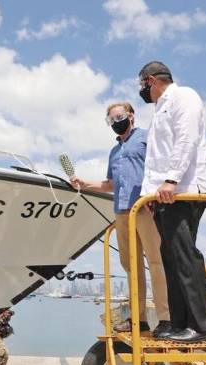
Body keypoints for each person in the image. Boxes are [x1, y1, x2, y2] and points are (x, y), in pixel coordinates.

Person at [71, 102, 170, 336]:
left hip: (146, 208)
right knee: (131, 267)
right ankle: (140, 319)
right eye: (111, 120)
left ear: (131, 116)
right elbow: (110, 184)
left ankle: (166, 319)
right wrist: (85, 184)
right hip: (122, 212)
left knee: (156, 263)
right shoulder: (114, 152)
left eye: (120, 117)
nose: (117, 123)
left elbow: (162, 168)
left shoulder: (147, 138)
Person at [137, 61, 206, 343]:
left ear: (151, 80)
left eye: (142, 85)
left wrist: (171, 179)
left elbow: (187, 139)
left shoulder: (184, 96)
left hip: (184, 190)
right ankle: (180, 323)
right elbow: (155, 158)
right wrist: (149, 193)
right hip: (163, 197)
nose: (142, 91)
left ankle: (202, 326)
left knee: (183, 255)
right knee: (170, 256)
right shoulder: (159, 111)